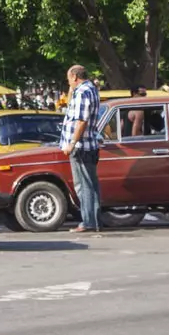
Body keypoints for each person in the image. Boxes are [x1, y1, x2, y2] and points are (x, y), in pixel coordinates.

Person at [60, 64, 104, 234]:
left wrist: (71, 143)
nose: (68, 82)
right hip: (87, 144)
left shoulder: (83, 92)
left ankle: (88, 221)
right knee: (90, 184)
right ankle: (93, 220)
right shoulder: (90, 89)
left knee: (84, 185)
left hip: (82, 146)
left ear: (74, 77)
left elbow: (81, 121)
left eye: (68, 79)